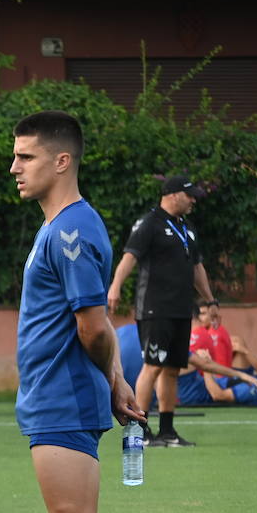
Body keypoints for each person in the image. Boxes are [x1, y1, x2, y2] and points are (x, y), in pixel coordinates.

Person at [10, 110, 144, 513]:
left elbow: (92, 325)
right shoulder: (64, 227)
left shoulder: (69, 229)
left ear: (61, 161)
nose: (15, 167)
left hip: (63, 395)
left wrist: (111, 377)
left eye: (26, 157)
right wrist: (115, 379)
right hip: (55, 395)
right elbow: (97, 322)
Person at [107, 176, 216, 447]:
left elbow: (197, 268)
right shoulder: (149, 224)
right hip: (155, 309)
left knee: (171, 370)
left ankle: (167, 431)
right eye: (189, 195)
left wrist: (211, 301)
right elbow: (129, 257)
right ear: (172, 194)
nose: (193, 200)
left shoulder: (187, 228)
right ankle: (139, 428)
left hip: (181, 309)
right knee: (153, 366)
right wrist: (115, 287)